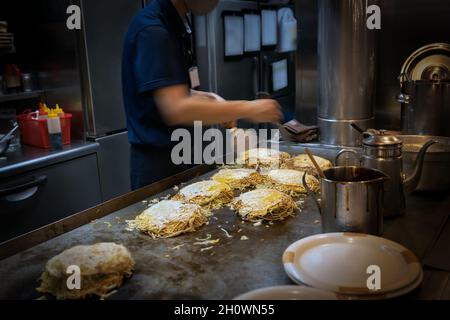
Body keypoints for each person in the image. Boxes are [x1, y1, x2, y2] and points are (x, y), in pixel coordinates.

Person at [122, 0, 282, 190]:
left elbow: (169, 89)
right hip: (157, 165)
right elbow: (176, 108)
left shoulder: (177, 24)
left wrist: (211, 100)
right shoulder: (153, 30)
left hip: (180, 152)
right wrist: (248, 108)